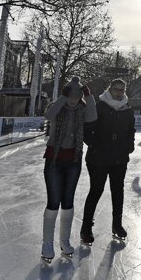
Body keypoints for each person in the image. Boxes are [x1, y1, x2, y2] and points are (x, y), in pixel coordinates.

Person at [41, 77, 96, 263]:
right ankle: (47, 243)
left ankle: (64, 240)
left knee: (68, 201)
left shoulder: (82, 109)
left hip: (73, 159)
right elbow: (49, 116)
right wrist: (63, 98)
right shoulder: (58, 107)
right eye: (70, 95)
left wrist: (89, 97)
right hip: (54, 159)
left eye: (77, 95)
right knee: (53, 200)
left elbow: (92, 116)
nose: (73, 99)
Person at [80, 79, 135, 244]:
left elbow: (131, 130)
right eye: (116, 89)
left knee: (118, 191)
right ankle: (86, 227)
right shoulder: (100, 106)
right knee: (96, 190)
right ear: (109, 89)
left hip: (119, 157)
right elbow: (87, 129)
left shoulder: (127, 108)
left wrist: (129, 146)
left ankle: (117, 225)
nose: (119, 92)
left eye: (122, 89)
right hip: (99, 157)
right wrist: (96, 145)